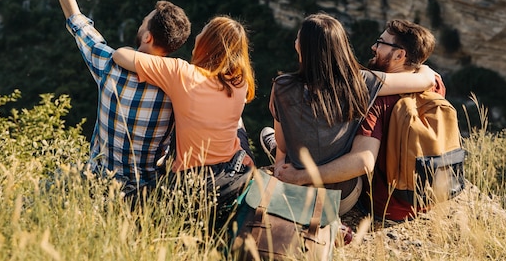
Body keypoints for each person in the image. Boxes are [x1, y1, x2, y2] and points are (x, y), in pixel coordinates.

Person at [49, 0, 191, 194]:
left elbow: (76, 20)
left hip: (97, 183)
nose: (141, 23)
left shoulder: (110, 65)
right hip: (143, 194)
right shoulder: (180, 87)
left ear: (147, 37)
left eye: (144, 22)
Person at [269, 18, 443, 221]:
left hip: (308, 191)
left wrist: (288, 169)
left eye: (380, 42)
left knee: (272, 136)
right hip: (352, 196)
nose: (373, 47)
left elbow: (283, 143)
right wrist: (425, 68)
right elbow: (427, 79)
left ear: (300, 46)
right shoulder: (363, 82)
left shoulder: (282, 86)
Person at [112, 15, 256, 183]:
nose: (197, 36)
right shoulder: (240, 82)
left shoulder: (181, 73)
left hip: (192, 178)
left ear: (207, 42)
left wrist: (132, 49)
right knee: (237, 122)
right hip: (233, 170)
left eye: (203, 31)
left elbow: (120, 55)